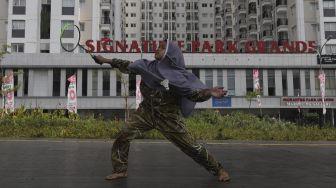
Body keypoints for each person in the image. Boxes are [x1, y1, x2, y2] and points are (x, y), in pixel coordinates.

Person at [93, 40, 230, 182]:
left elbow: (192, 94)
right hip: (146, 112)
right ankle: (120, 170)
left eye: (162, 48)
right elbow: (127, 65)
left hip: (168, 117)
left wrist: (208, 92)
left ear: (170, 55)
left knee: (191, 147)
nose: (156, 49)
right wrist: (104, 60)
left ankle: (218, 169)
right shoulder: (146, 66)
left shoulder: (178, 77)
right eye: (157, 46)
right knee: (124, 134)